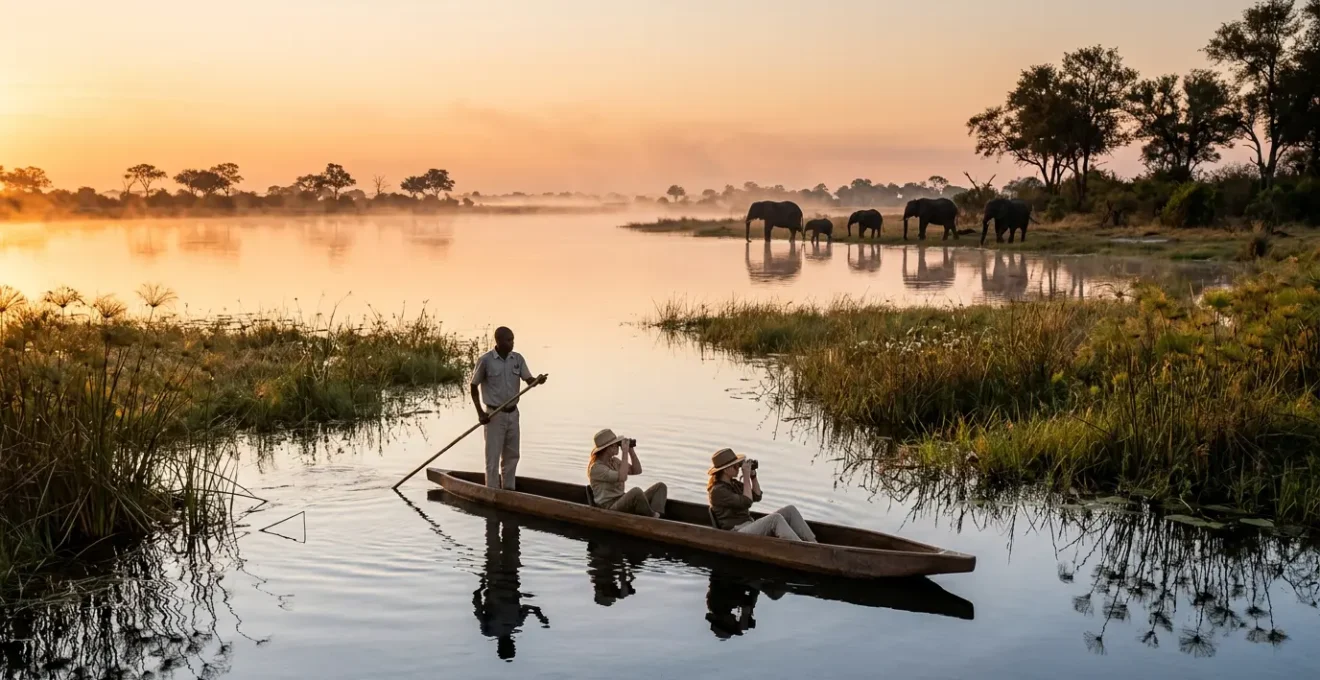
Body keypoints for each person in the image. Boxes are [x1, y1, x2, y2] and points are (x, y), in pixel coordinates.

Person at [470, 326, 547, 490]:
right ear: (498, 341)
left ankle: (509, 491)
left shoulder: (517, 359)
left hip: (513, 414)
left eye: (513, 339)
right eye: (508, 340)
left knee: (512, 456)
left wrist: (537, 381)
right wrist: (480, 413)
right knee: (493, 458)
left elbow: (529, 380)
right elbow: (473, 386)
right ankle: (491, 491)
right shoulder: (486, 361)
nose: (512, 343)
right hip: (494, 415)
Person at [706, 448, 817, 542]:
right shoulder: (717, 491)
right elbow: (747, 501)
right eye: (735, 466)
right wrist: (745, 476)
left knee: (790, 510)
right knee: (775, 519)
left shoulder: (733, 483)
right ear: (726, 470)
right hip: (736, 533)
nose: (738, 468)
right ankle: (801, 549)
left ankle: (814, 544)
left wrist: (752, 477)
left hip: (748, 525)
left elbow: (756, 496)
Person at [587, 428, 667, 518]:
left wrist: (630, 451)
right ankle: (653, 518)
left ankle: (657, 517)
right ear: (608, 448)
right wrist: (624, 452)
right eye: (616, 445)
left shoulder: (614, 461)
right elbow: (622, 477)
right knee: (636, 492)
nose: (618, 446)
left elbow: (637, 470)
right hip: (608, 508)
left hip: (621, 500)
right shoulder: (596, 468)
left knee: (660, 487)